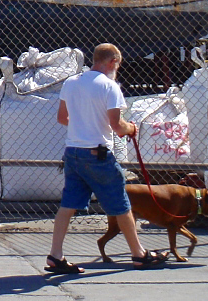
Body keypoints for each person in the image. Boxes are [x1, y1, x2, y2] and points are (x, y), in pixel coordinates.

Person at [46, 43, 168, 273]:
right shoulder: (110, 86)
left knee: (68, 204)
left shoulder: (71, 83)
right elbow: (117, 126)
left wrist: (84, 125)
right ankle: (139, 254)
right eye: (118, 64)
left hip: (72, 152)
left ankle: (55, 255)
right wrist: (131, 128)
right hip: (98, 154)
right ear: (113, 61)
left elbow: (63, 118)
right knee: (120, 204)